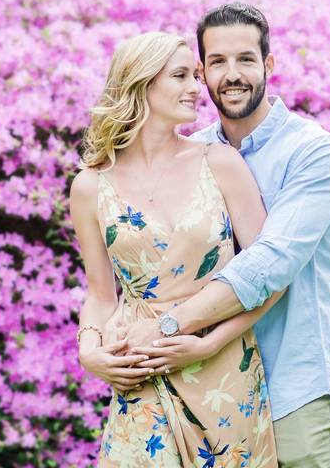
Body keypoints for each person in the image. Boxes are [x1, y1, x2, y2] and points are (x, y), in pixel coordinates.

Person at [125, 3, 330, 467]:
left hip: (294, 390)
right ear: (201, 72)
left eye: (246, 59)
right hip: (207, 390)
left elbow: (270, 263)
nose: (233, 75)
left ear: (268, 64)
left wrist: (169, 328)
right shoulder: (193, 154)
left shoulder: (312, 152)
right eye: (219, 63)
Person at [70, 31, 283, 467]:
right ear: (142, 82)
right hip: (142, 375)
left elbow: (268, 279)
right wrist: (89, 352)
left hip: (225, 376)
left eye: (195, 76)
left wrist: (207, 345)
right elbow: (100, 296)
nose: (196, 88)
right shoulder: (90, 186)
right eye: (181, 76)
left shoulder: (219, 163)